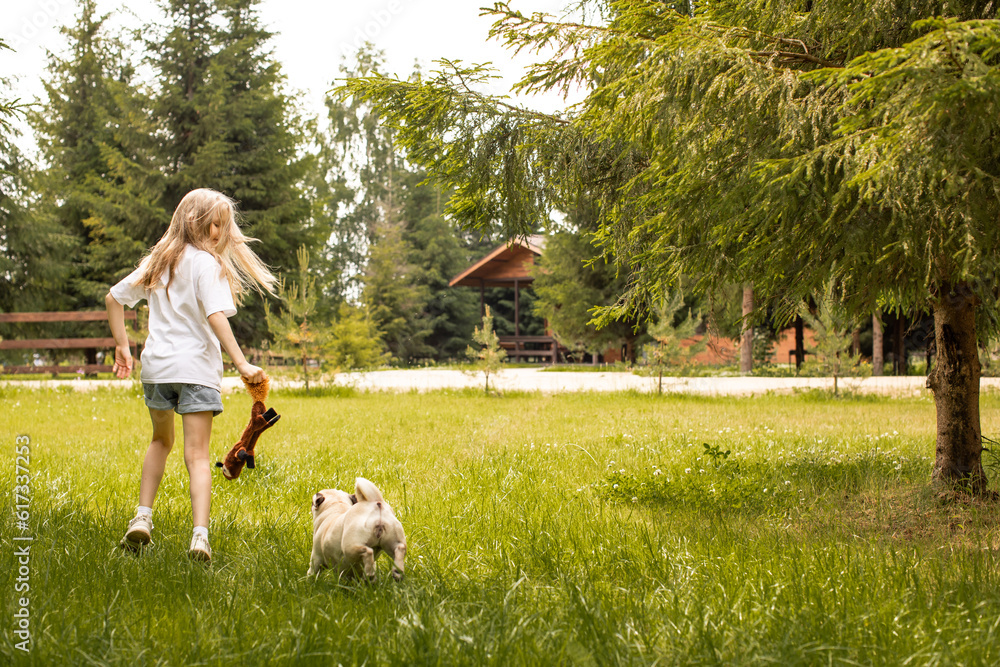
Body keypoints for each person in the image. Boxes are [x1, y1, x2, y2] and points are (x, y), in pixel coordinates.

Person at [106, 188, 277, 562]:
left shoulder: (158, 260)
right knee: (198, 457)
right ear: (195, 222)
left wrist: (123, 346)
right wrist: (242, 363)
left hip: (156, 370)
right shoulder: (205, 264)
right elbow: (216, 316)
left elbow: (114, 298)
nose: (219, 233)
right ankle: (200, 538)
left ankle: (142, 518)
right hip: (196, 370)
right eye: (215, 224)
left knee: (159, 442)